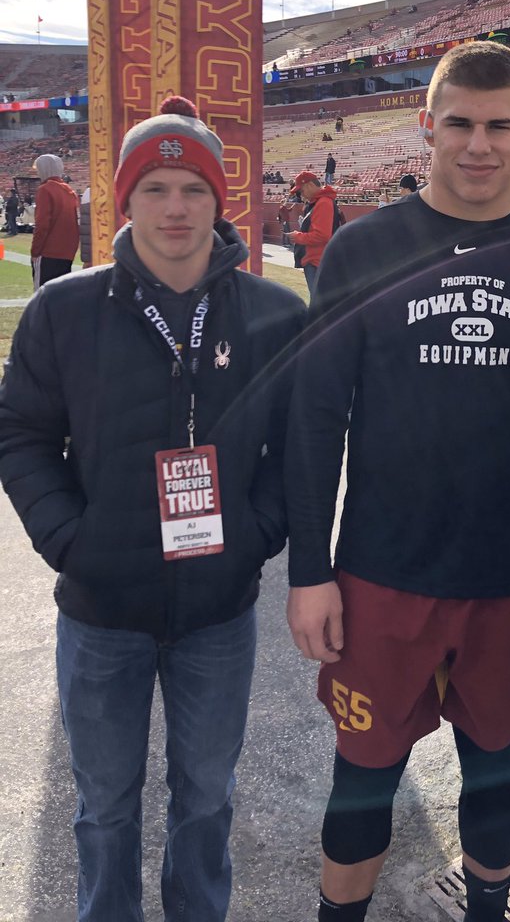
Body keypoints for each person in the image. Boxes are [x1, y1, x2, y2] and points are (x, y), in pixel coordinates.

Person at [286, 41, 510, 922]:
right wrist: (307, 570)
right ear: (427, 127)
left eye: (499, 125)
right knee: (361, 779)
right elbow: (315, 419)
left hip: (507, 574)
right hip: (381, 571)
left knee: (498, 768)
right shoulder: (362, 249)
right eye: (460, 124)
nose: (479, 144)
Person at [0, 95, 306, 922]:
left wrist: (253, 536)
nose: (175, 207)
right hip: (102, 613)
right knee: (104, 809)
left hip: (218, 610)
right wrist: (71, 538)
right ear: (124, 201)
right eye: (155, 189)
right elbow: (21, 434)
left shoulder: (276, 316)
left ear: (220, 200)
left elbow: (302, 452)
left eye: (193, 189)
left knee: (207, 799)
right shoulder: (63, 312)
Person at [30, 153, 80, 288]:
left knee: (42, 296)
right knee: (60, 297)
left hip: (48, 252)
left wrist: (35, 251)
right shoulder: (70, 191)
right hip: (67, 253)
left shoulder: (45, 190)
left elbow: (42, 225)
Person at [288, 170, 338, 297]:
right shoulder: (319, 202)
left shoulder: (323, 203)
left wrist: (297, 237)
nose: (301, 195)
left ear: (310, 185)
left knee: (320, 305)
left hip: (317, 262)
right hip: (317, 261)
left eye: (301, 191)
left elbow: (321, 235)